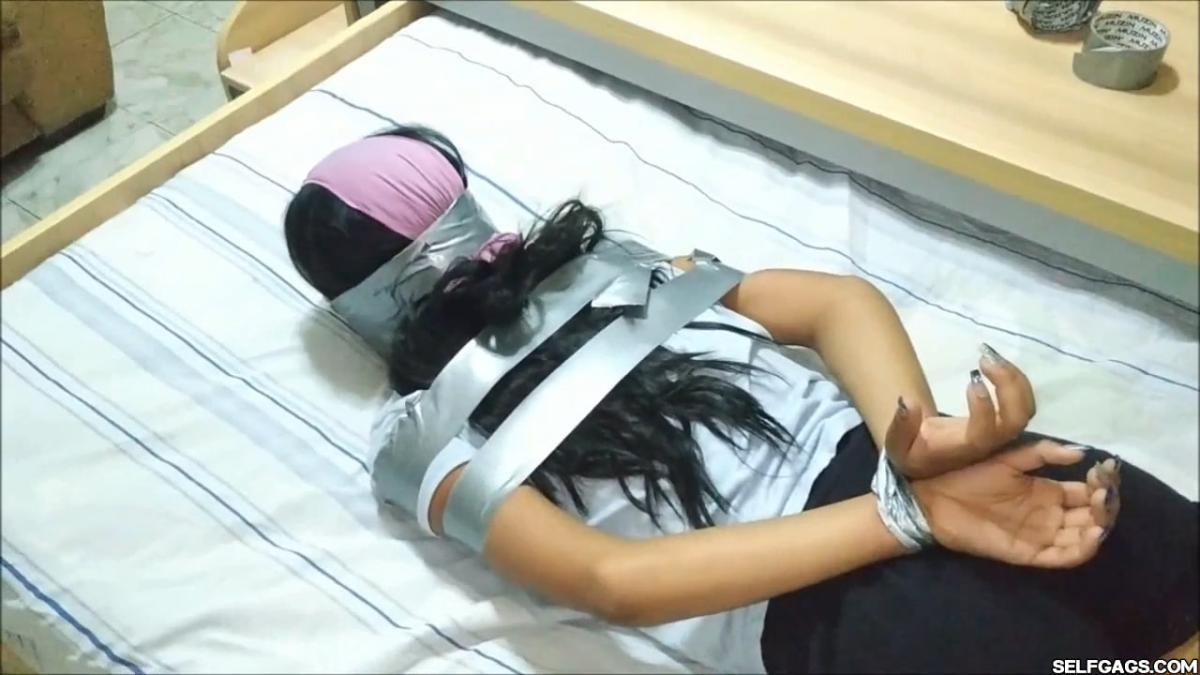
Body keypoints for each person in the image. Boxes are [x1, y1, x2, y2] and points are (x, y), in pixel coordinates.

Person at [285, 126, 1198, 674]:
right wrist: (908, 511)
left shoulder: (605, 273)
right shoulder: (428, 434)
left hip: (931, 489)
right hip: (809, 593)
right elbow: (613, 582)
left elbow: (835, 304)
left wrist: (918, 441)